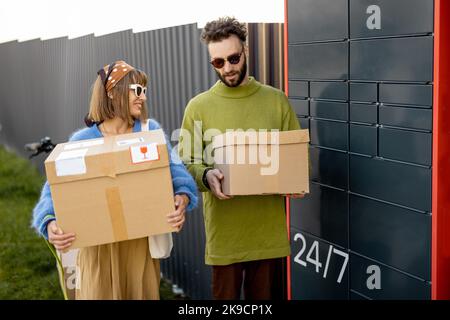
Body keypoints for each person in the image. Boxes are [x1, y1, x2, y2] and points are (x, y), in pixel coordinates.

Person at [32, 60, 198, 300]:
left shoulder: (148, 132)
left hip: (140, 248)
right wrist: (49, 222)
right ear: (112, 93)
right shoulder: (83, 140)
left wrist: (181, 197)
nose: (143, 97)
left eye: (144, 91)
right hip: (98, 249)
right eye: (137, 90)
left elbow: (175, 171)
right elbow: (54, 189)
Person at [178, 17, 305, 300]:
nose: (227, 68)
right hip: (226, 238)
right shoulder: (198, 107)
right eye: (218, 63)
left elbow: (296, 154)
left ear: (245, 51)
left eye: (233, 58)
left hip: (267, 236)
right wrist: (206, 176)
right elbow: (186, 162)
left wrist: (296, 179)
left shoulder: (276, 100)